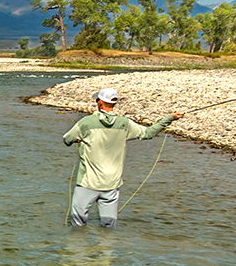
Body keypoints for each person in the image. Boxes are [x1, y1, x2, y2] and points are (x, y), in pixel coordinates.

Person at [61, 87, 182, 228]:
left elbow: (67, 139)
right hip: (112, 184)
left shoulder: (86, 122)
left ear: (99, 102)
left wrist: (78, 140)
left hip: (88, 183)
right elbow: (148, 133)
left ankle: (78, 248)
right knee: (109, 228)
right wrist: (169, 118)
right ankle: (108, 249)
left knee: (78, 225)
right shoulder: (125, 123)